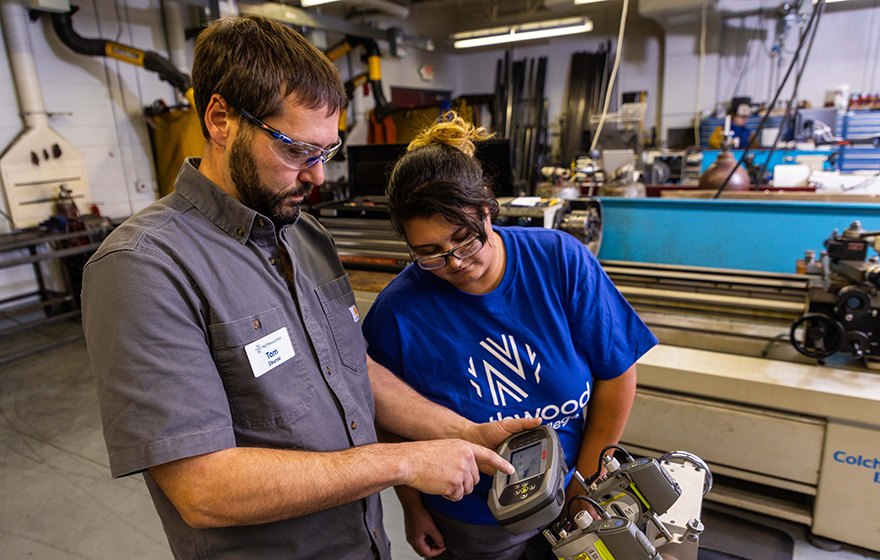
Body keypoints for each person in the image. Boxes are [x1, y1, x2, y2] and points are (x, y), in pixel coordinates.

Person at [81, 17, 536, 560]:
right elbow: (203, 488)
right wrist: (406, 461)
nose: (318, 177)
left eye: (327, 152)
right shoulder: (143, 267)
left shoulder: (304, 236)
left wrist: (464, 431)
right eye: (298, 151)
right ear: (221, 119)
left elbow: (352, 370)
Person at [362, 114, 659, 560]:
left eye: (464, 241)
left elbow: (616, 372)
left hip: (571, 489)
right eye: (429, 253)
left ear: (487, 209)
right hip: (472, 515)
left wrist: (583, 486)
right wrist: (412, 505)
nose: (454, 263)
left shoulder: (559, 261)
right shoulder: (397, 312)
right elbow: (386, 418)